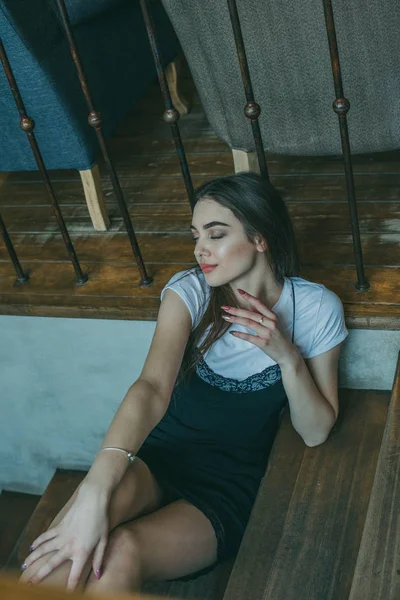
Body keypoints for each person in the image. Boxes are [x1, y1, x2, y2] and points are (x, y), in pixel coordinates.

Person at [19, 172, 348, 593]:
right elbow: (152, 388)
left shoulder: (316, 308)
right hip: (160, 457)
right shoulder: (189, 292)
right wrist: (95, 486)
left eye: (216, 235)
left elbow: (317, 431)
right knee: (61, 555)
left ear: (260, 238)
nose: (199, 250)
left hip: (228, 483)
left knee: (118, 555)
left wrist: (287, 357)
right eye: (196, 235)